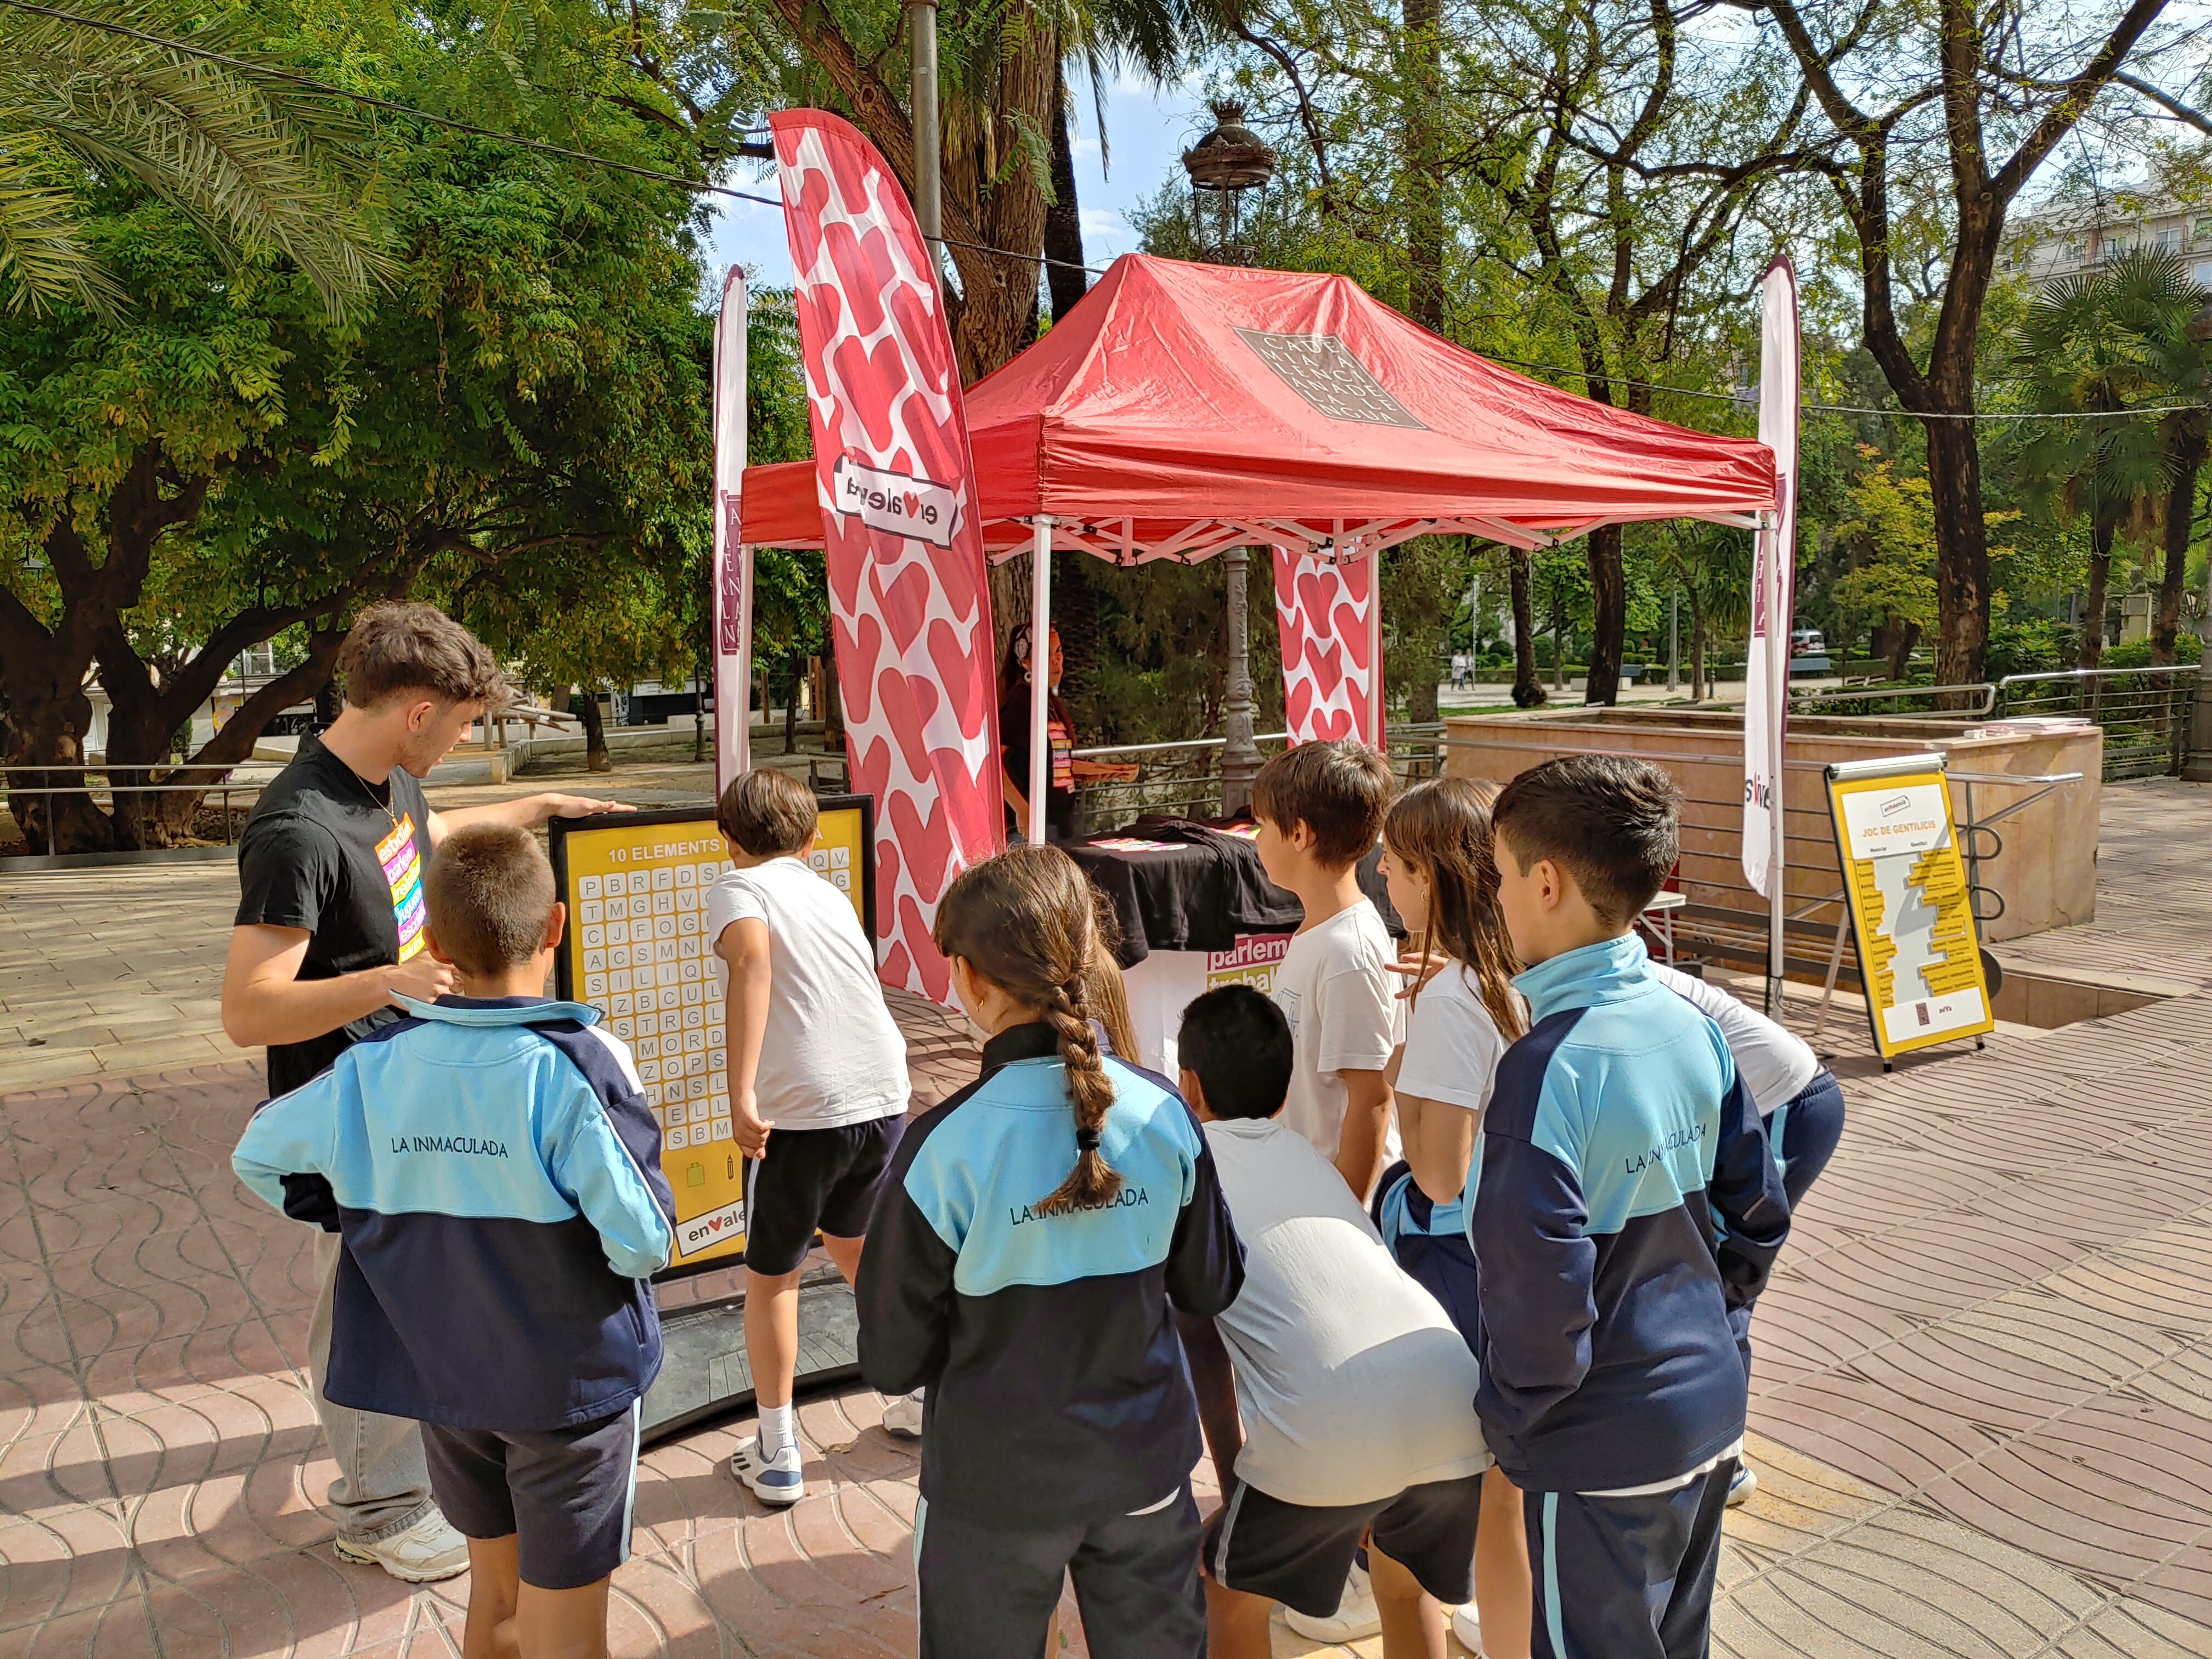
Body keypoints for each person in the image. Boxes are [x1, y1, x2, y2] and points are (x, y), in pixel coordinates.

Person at [220, 601, 631, 1581]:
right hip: (353, 1111)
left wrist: (536, 811)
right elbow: (249, 1006)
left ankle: (405, 1471)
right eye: (460, 722)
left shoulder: (391, 780)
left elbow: (427, 835)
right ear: (414, 710)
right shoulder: (296, 828)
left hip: (416, 1089)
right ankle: (377, 1501)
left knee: (408, 1289)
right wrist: (385, 981)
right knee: (364, 1301)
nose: (463, 739)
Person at [231, 823, 675, 1659]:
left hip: (447, 1385)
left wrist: (363, 1216)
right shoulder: (578, 1063)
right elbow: (644, 1238)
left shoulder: (370, 1066)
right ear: (556, 926)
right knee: (568, 1630)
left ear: (431, 943)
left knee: (496, 1596)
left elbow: (259, 1154)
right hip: (567, 1391)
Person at [854, 846, 1245, 1659]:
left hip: (992, 1487)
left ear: (972, 981)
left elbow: (892, 1359)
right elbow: (1211, 1284)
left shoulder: (943, 1148)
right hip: (1144, 1470)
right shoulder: (1164, 1114)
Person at [1474, 756, 1790, 1659]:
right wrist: (1710, 1328)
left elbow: (1538, 1292)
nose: (1495, 899)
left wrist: (1512, 1419)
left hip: (1595, 1450)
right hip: (1706, 1412)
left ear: (1546, 882)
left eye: (1498, 878)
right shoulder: (1690, 1025)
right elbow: (1758, 1211)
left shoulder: (1545, 1068)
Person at [1172, 987, 1492, 1659]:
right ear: (1286, 1095)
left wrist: (1235, 1483)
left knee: (1225, 1594)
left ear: (1189, 1087)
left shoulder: (1190, 1172)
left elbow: (1201, 1342)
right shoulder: (1306, 1161)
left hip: (1333, 1423)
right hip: (1452, 1397)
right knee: (1407, 1593)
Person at [709, 770, 917, 1506]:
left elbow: (753, 963)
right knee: (859, 1246)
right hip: (883, 1095)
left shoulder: (742, 889)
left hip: (803, 1113)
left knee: (773, 1278)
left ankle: (775, 1449)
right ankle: (922, 1393)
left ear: (727, 838)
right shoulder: (828, 892)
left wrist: (742, 1094)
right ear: (813, 834)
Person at [1372, 777, 1533, 1659]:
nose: (1383, 883)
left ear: (1432, 877)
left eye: (1393, 868)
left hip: (1462, 1271)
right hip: (1533, 1256)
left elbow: (1439, 1173)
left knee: (1448, 1521)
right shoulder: (1527, 973)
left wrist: (1404, 1072)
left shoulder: (1451, 999)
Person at [1650, 961, 1846, 1504]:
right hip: (1745, 1109)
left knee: (1720, 1288)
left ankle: (1725, 1461)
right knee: (1703, 1283)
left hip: (1785, 1104)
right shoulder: (1578, 957)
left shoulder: (1605, 973)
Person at [1250, 738, 1402, 1204]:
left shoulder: (1347, 953)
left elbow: (1372, 1097)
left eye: (1262, 827)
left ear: (1299, 834)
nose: (1256, 841)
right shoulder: (1322, 932)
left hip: (1339, 1204)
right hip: (1308, 1186)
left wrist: (1346, 1212)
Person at [996, 622, 1136, 844]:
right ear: (1025, 663)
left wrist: (1111, 771)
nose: (1056, 659)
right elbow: (993, 763)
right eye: (1046, 653)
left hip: (1059, 826)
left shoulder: (1050, 703)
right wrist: (1022, 810)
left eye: (1059, 651)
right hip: (1031, 831)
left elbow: (1058, 764)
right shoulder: (1021, 703)